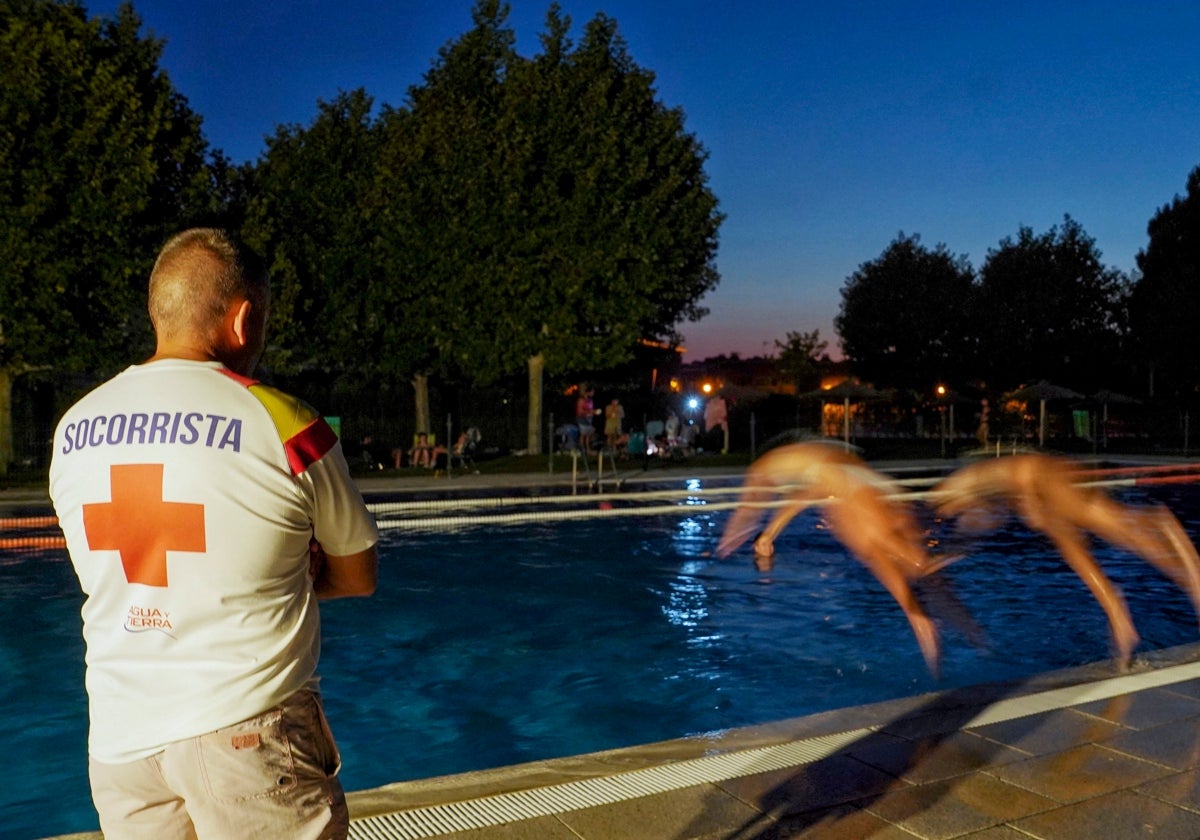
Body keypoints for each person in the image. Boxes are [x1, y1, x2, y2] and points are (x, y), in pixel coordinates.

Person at [49, 228, 379, 839]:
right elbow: (358, 576)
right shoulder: (286, 425)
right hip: (247, 730)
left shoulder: (73, 429)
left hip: (122, 742)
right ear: (243, 318)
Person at [934, 454, 1200, 669]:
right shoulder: (971, 484)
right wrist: (955, 550)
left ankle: (1122, 613)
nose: (946, 513)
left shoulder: (953, 491)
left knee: (1074, 544)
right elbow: (991, 515)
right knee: (1112, 530)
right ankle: (1163, 536)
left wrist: (1030, 503)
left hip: (1040, 478)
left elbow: (985, 515)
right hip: (1044, 475)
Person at [717, 441, 942, 675]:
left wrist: (730, 541)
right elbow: (798, 498)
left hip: (836, 474)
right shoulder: (790, 463)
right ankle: (920, 565)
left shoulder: (760, 472)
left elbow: (748, 515)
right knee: (885, 541)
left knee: (872, 551)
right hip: (854, 470)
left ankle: (919, 617)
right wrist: (768, 533)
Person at [575, 384, 596, 453]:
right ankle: (582, 449)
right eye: (592, 392)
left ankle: (588, 449)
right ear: (588, 392)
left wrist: (594, 412)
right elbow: (579, 411)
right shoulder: (581, 400)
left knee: (588, 434)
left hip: (589, 419)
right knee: (583, 434)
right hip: (582, 419)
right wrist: (588, 412)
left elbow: (591, 408)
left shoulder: (590, 400)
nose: (593, 393)